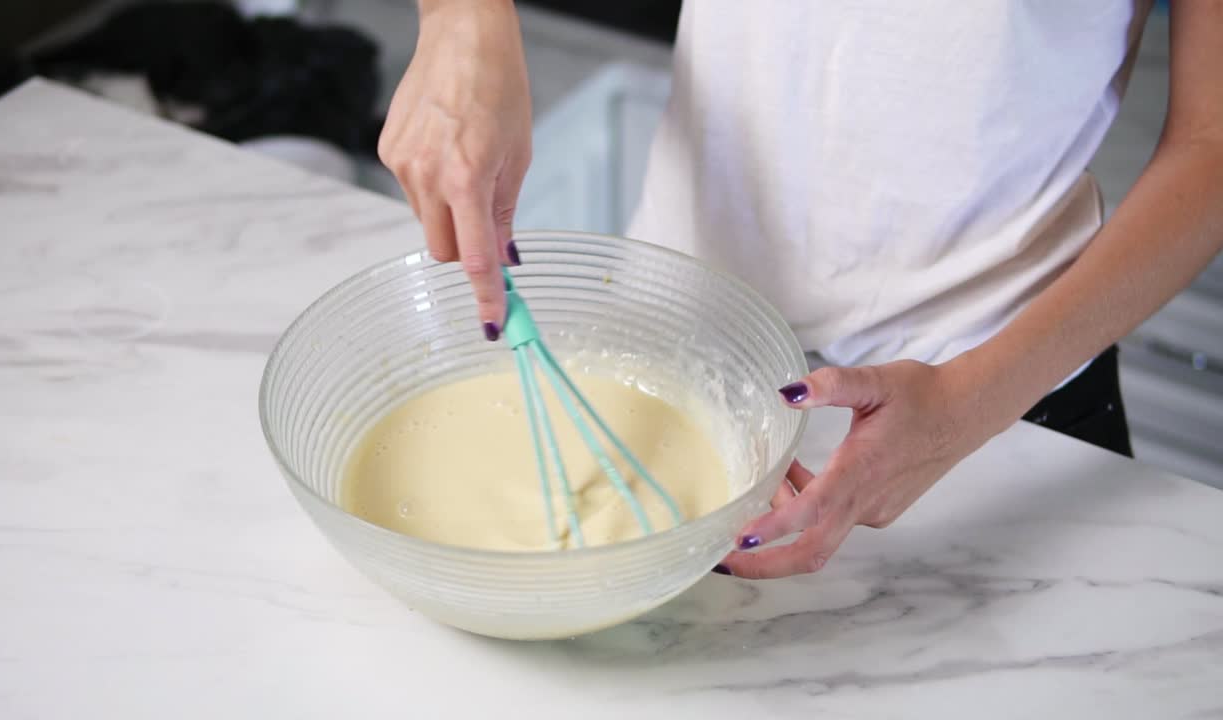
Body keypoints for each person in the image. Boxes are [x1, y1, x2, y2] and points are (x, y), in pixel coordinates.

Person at [377, 0, 1223, 579]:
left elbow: (1212, 145)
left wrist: (969, 404)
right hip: (671, 360)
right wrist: (462, 19)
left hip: (993, 409)